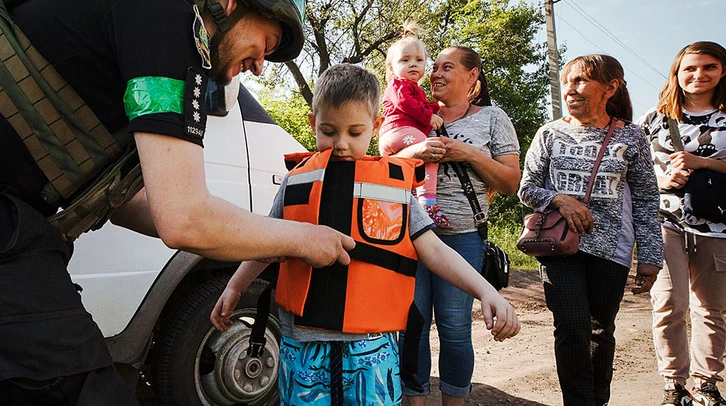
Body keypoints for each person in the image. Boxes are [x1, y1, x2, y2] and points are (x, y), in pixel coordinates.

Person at [0, 0, 356, 405]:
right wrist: (301, 239)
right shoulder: (168, 23)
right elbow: (185, 219)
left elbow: (134, 206)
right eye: (265, 43)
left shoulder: (145, 22)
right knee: (86, 391)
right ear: (228, 3)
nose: (261, 66)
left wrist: (254, 239)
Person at [209, 63, 520, 406]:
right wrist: (235, 287)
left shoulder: (392, 186)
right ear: (313, 123)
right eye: (328, 131)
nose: (341, 144)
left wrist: (486, 291)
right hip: (303, 343)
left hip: (371, 345)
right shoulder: (296, 181)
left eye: (355, 132)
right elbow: (265, 242)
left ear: (375, 127)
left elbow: (434, 250)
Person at [519, 54, 664, 406]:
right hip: (559, 246)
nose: (571, 87)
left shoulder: (632, 136)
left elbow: (646, 198)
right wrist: (559, 200)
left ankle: (596, 401)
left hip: (612, 249)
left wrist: (650, 257)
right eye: (567, 80)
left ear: (610, 87)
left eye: (581, 80)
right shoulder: (549, 133)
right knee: (571, 326)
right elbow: (527, 188)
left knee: (601, 331)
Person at [390, 46, 521, 406]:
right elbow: (383, 164)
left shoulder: (493, 118)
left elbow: (511, 183)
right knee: (411, 329)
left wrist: (469, 153)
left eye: (447, 67)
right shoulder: (409, 113)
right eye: (434, 67)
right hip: (411, 239)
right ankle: (413, 401)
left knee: (454, 328)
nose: (435, 74)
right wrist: (412, 154)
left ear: (472, 75)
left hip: (463, 238)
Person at [639, 41, 726, 406]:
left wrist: (705, 163)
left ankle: (706, 385)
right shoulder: (654, 117)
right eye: (690, 69)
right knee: (669, 303)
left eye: (709, 67)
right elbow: (634, 169)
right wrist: (662, 181)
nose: (699, 75)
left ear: (724, 71)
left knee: (711, 309)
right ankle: (674, 386)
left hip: (723, 223)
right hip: (666, 220)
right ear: (677, 74)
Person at [378, 22, 449, 227]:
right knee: (432, 151)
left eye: (419, 60)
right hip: (399, 131)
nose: (413, 64)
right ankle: (428, 202)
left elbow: (420, 103)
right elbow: (405, 104)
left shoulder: (413, 88)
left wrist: (433, 107)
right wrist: (428, 117)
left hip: (398, 136)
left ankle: (408, 201)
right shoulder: (398, 84)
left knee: (411, 167)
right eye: (405, 60)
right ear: (392, 67)